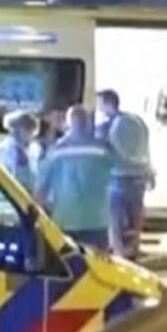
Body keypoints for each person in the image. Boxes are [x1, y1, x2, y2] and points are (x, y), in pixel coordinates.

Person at [34, 103, 118, 250]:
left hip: (65, 219)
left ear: (68, 124)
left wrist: (38, 221)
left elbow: (41, 189)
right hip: (97, 220)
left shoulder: (55, 151)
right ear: (87, 123)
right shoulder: (103, 149)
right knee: (98, 267)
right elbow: (118, 176)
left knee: (67, 266)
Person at [98, 88, 155, 260]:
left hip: (118, 177)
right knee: (136, 213)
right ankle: (135, 246)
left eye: (100, 103)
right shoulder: (137, 121)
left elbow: (107, 151)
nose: (99, 108)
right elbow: (147, 149)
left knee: (114, 215)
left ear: (108, 103)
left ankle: (118, 250)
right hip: (139, 177)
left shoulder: (109, 126)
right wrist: (150, 172)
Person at [0, 111, 40, 193]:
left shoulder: (35, 149)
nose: (30, 134)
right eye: (26, 129)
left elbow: (37, 174)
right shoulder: (2, 149)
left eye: (32, 131)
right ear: (15, 129)